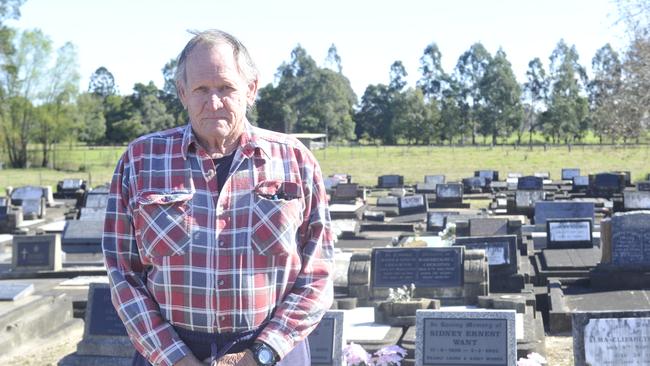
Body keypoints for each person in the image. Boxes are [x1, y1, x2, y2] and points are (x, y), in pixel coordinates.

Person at [102, 29, 334, 366]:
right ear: (182, 93)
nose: (213, 103)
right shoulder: (140, 161)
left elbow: (319, 272)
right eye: (200, 90)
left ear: (251, 89)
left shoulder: (295, 161)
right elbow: (122, 274)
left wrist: (262, 354)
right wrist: (176, 358)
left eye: (226, 88)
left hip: (272, 350)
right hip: (168, 351)